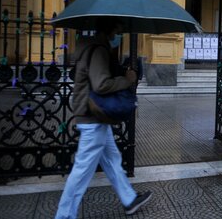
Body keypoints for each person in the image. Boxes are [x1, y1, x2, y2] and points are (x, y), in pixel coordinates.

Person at [55, 17, 151, 219]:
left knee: (112, 159)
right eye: (116, 32)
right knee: (82, 171)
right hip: (93, 117)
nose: (117, 36)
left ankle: (129, 199)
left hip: (95, 116)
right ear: (109, 31)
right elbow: (101, 85)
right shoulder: (98, 50)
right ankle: (64, 216)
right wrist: (126, 80)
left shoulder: (91, 47)